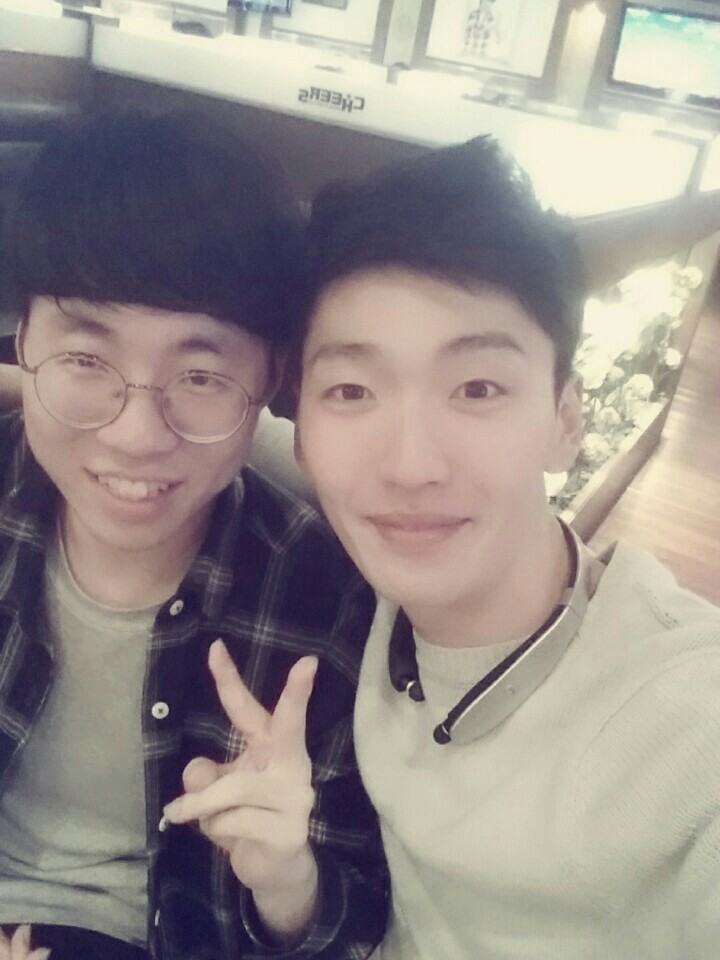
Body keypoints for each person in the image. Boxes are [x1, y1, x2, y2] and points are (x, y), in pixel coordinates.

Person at [291, 137, 720, 959]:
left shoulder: (679, 717)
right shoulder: (368, 566)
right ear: (302, 434)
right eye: (351, 390)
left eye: (478, 388)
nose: (410, 466)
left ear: (567, 419)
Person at [0, 110, 387, 960]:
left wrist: (286, 881)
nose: (136, 434)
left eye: (202, 375)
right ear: (23, 339)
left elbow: (348, 923)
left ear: (270, 381)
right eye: (87, 360)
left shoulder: (323, 601)